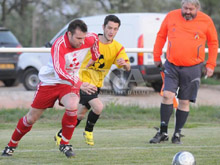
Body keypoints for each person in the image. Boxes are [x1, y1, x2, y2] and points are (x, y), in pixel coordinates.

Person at [1, 19, 100, 158]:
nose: (82, 42)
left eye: (83, 38)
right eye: (78, 38)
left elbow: (96, 39)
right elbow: (60, 71)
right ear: (69, 34)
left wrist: (95, 54)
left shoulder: (88, 39)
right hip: (50, 82)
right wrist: (80, 84)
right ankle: (11, 145)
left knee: (72, 105)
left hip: (69, 83)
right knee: (31, 119)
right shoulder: (59, 45)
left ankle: (65, 143)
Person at [54, 15, 130, 146]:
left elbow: (128, 67)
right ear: (103, 27)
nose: (111, 31)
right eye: (109, 28)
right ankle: (88, 131)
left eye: (115, 29)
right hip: (82, 81)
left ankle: (61, 134)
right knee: (98, 106)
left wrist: (124, 64)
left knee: (80, 114)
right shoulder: (90, 40)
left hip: (96, 84)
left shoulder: (118, 47)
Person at [149, 0, 218, 144]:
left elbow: (213, 43)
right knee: (167, 95)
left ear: (197, 8)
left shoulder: (206, 20)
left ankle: (177, 134)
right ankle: (163, 132)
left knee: (184, 101)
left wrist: (210, 64)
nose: (187, 11)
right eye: (185, 8)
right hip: (172, 65)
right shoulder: (171, 16)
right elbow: (161, 36)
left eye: (191, 9)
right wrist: (156, 56)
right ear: (182, 6)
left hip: (193, 68)